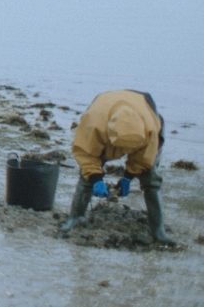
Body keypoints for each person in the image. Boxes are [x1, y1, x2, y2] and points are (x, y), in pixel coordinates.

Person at [60, 90, 175, 245]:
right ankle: (76, 217)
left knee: (151, 179)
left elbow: (144, 158)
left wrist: (128, 177)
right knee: (87, 174)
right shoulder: (94, 124)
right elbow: (86, 154)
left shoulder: (151, 129)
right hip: (104, 109)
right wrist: (96, 179)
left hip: (145, 106)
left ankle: (158, 230)